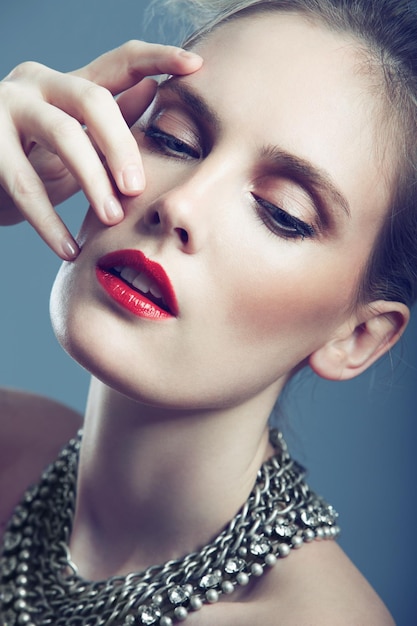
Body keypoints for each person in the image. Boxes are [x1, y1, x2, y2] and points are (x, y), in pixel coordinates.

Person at [0, 0, 416, 624]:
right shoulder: (12, 444)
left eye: (282, 212)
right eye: (174, 138)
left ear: (356, 335)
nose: (182, 205)